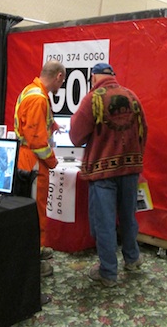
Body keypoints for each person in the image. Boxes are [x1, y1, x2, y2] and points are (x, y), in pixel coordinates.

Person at [69, 62, 148, 288]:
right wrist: (136, 160)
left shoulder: (93, 99)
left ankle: (108, 273)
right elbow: (144, 131)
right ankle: (132, 259)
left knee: (104, 223)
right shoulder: (132, 97)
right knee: (127, 217)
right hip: (130, 169)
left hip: (103, 173)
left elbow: (75, 136)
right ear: (112, 75)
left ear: (93, 78)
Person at [14, 60, 66, 277]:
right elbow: (37, 141)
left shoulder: (31, 90)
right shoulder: (38, 98)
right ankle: (34, 260)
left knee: (36, 208)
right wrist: (53, 162)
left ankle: (39, 249)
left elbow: (34, 122)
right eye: (62, 82)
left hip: (28, 159)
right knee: (36, 211)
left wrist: (53, 126)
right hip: (34, 161)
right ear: (59, 77)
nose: (61, 87)